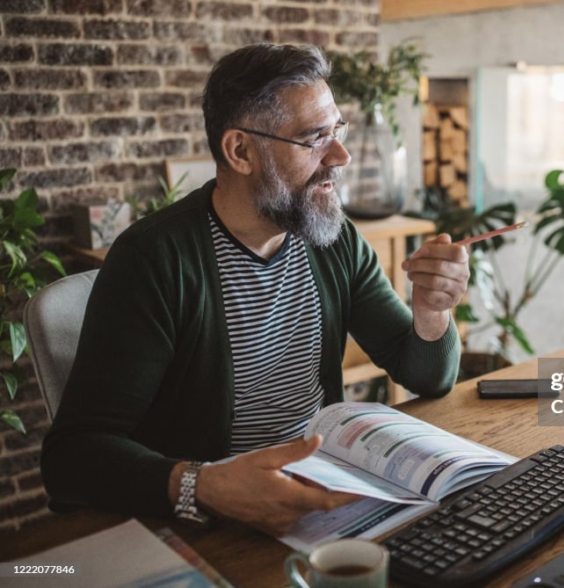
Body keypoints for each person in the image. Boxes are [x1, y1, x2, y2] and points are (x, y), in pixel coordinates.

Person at [41, 44, 468, 536]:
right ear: (240, 151)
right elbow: (72, 455)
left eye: (338, 130)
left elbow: (427, 376)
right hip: (209, 522)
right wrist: (204, 486)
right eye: (314, 138)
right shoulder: (155, 259)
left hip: (319, 490)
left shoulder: (331, 236)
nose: (342, 155)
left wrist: (432, 312)